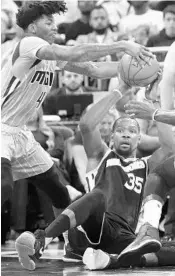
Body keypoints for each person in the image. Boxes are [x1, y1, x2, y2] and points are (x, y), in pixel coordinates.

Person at [1, 0, 153, 209]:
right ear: (33, 27)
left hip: (21, 133)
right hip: (1, 128)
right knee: (4, 186)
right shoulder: (28, 44)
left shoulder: (49, 55)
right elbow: (74, 52)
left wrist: (135, 69)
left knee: (60, 193)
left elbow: (93, 69)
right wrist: (123, 45)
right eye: (48, 22)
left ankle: (63, 239)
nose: (55, 26)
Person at [15, 76, 173, 271]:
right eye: (120, 130)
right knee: (98, 196)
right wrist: (120, 89)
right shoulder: (100, 155)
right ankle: (42, 239)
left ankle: (110, 260)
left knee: (166, 249)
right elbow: (87, 125)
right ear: (112, 137)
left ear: (139, 138)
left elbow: (168, 146)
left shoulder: (147, 164)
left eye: (131, 131)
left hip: (123, 238)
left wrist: (154, 103)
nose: (125, 134)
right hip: (92, 227)